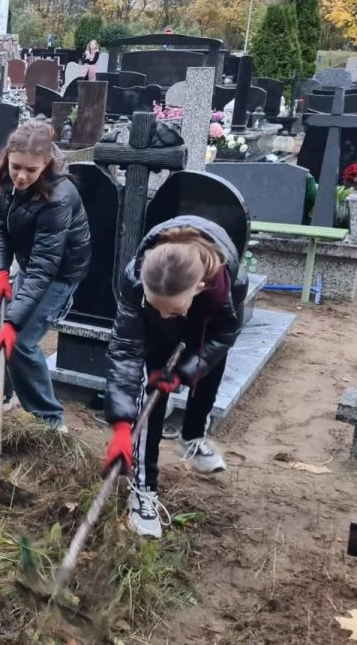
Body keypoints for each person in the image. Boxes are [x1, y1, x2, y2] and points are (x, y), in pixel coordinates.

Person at [102, 216, 245, 539]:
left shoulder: (230, 284)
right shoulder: (135, 282)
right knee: (148, 400)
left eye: (173, 311)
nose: (166, 314)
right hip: (153, 335)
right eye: (158, 307)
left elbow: (224, 335)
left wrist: (183, 371)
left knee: (208, 370)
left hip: (205, 322)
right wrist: (123, 425)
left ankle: (192, 437)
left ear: (199, 286)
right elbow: (125, 353)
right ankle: (143, 491)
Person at [0, 121, 90, 433]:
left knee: (19, 342)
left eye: (31, 170)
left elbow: (45, 268)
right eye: (16, 167)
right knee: (12, 334)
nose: (21, 176)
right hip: (32, 266)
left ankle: (49, 419)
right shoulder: (7, 181)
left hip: (59, 273)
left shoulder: (59, 198)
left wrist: (13, 323)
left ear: (47, 164)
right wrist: (0, 269)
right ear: (7, 158)